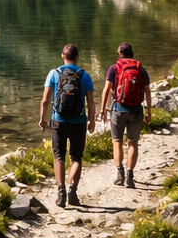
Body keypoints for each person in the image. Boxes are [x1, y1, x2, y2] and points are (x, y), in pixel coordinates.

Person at [37, 43, 96, 209]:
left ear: (63, 56)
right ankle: (72, 192)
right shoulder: (85, 76)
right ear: (76, 57)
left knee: (59, 157)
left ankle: (61, 193)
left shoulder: (54, 74)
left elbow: (45, 100)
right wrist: (92, 119)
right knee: (76, 158)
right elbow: (90, 101)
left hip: (58, 121)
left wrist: (43, 119)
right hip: (79, 122)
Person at [100, 41, 152, 189]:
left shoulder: (114, 68)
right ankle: (130, 176)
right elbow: (147, 90)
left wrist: (102, 109)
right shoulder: (140, 68)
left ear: (120, 54)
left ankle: (120, 173)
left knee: (117, 140)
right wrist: (149, 110)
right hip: (136, 109)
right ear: (131, 53)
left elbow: (106, 89)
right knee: (132, 143)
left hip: (118, 108)